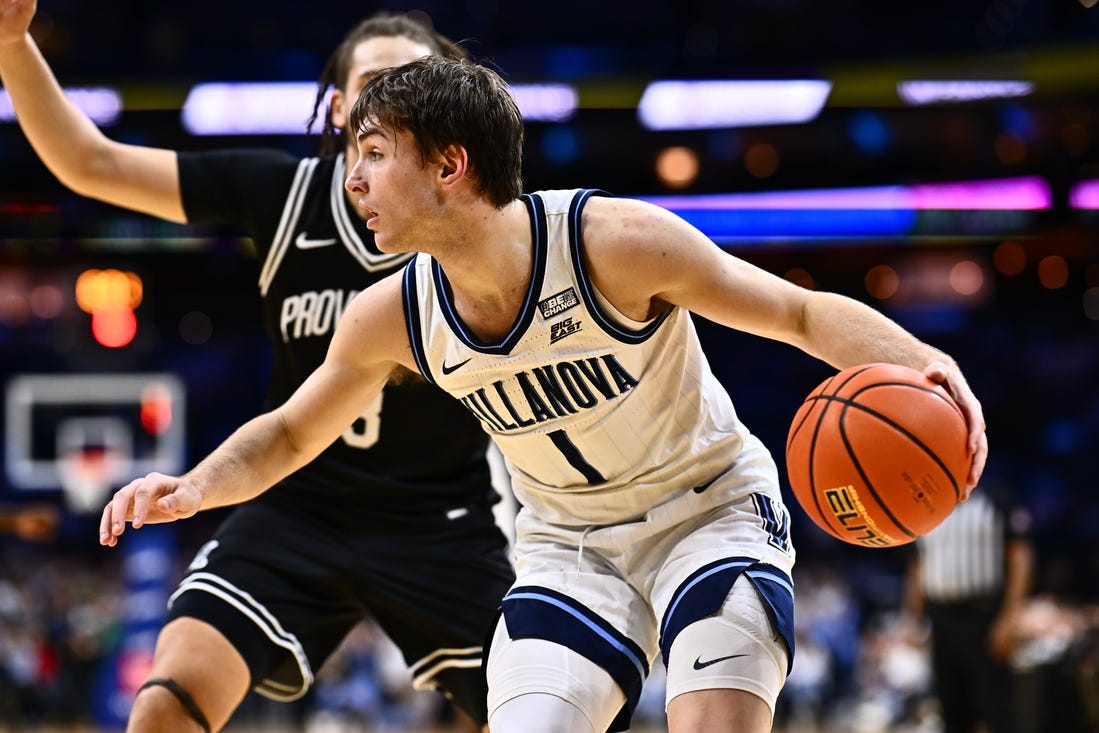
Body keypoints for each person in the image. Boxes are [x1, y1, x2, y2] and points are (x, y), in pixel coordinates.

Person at [99, 56, 989, 733]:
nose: (354, 179)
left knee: (715, 715)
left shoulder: (614, 242)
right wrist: (195, 487)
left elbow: (797, 312)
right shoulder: (391, 315)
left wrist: (926, 366)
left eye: (372, 154)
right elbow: (292, 433)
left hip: (706, 510)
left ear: (450, 166)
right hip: (569, 545)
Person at [0, 5, 516, 733]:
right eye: (376, 81)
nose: (396, 94)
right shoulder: (284, 193)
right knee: (164, 705)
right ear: (340, 108)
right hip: (295, 504)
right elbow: (91, 162)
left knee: (544, 713)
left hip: (444, 518)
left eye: (414, 79)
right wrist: (12, 44)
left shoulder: (484, 218)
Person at [903, 478, 1034, 733]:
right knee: (951, 709)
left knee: (996, 708)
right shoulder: (925, 503)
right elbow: (916, 566)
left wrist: (1010, 618)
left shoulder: (996, 500)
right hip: (941, 617)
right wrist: (912, 618)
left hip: (984, 615)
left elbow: (1021, 557)